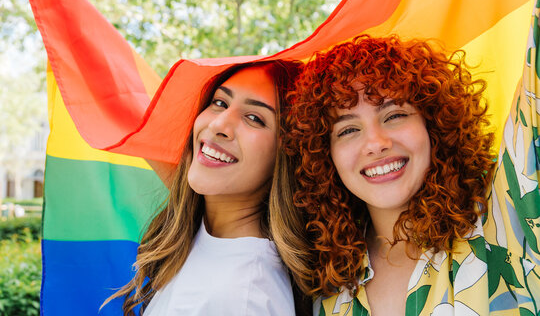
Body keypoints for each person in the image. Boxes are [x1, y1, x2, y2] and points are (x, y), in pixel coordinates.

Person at [286, 34, 540, 315]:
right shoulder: (324, 284)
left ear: (434, 124)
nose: (376, 143)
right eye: (348, 130)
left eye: (394, 115)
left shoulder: (501, 216)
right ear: (325, 155)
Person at [107, 61, 311, 316]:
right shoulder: (203, 236)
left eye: (254, 118)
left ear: (287, 154)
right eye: (220, 103)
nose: (218, 125)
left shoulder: (245, 296)